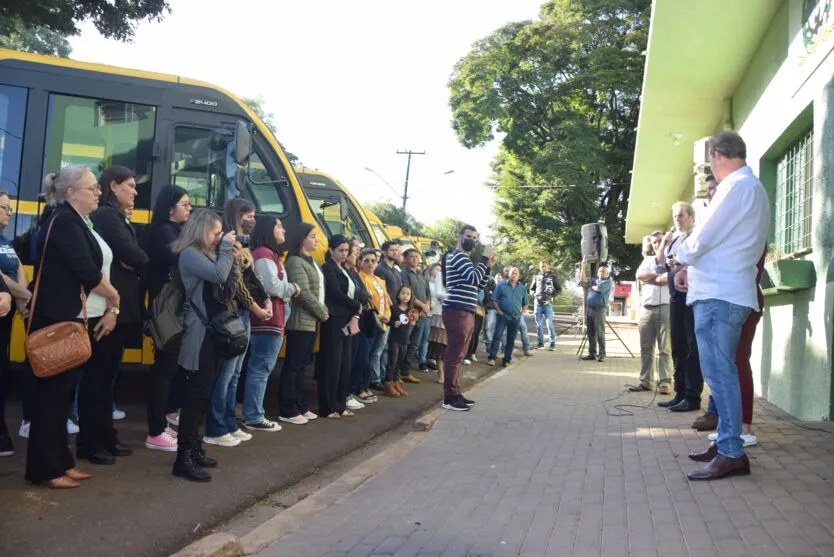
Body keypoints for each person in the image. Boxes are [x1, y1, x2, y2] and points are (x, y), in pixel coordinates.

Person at [674, 131, 769, 481]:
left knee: (721, 373)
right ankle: (727, 444)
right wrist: (689, 267)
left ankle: (731, 450)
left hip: (720, 294)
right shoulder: (749, 188)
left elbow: (703, 236)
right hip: (723, 291)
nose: (707, 169)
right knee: (720, 373)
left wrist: (680, 257)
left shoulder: (736, 188)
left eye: (708, 161)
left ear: (717, 155)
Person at [26, 166, 120, 489]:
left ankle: (61, 462)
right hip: (56, 321)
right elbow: (87, 271)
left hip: (65, 318)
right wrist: (114, 295)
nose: (97, 193)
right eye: (92, 188)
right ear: (71, 194)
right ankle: (45, 469)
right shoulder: (65, 221)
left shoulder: (73, 221)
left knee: (61, 398)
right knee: (52, 400)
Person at [171, 209, 236, 482]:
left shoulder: (207, 253)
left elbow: (229, 283)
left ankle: (195, 449)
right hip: (199, 334)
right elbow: (220, 275)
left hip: (213, 333)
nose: (219, 237)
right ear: (200, 231)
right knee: (195, 396)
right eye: (215, 233)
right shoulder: (189, 254)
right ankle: (183, 458)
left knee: (204, 395)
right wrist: (228, 249)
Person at [204, 199, 271, 448]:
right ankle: (216, 427)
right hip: (234, 313)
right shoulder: (229, 242)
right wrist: (255, 306)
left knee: (235, 375)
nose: (253, 220)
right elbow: (237, 282)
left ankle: (229, 423)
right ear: (237, 216)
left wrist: (264, 299)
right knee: (225, 374)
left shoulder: (244, 244)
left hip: (243, 314)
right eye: (249, 215)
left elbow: (251, 277)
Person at [144, 185, 191, 452]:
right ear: (169, 208)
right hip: (166, 310)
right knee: (163, 370)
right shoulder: (162, 233)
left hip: (172, 309)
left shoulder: (173, 231)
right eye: (184, 204)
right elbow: (183, 257)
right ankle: (156, 429)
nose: (189, 209)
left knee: (169, 368)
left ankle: (163, 421)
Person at [242, 216, 299, 432]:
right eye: (278, 226)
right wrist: (292, 289)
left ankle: (253, 413)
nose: (283, 229)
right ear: (268, 230)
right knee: (261, 367)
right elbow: (271, 286)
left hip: (270, 318)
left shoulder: (268, 254)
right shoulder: (264, 255)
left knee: (259, 367)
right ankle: (254, 415)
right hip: (267, 319)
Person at [656, 202, 703, 413]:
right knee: (677, 346)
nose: (677, 219)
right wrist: (664, 243)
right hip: (675, 298)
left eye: (681, 215)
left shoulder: (698, 237)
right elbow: (660, 265)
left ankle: (693, 396)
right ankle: (680, 392)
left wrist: (682, 264)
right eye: (674, 215)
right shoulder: (674, 240)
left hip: (692, 297)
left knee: (692, 348)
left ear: (691, 217)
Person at [441, 225, 493, 412]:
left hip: (467, 310)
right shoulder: (458, 256)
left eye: (474, 237)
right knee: (454, 355)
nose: (472, 240)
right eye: (469, 236)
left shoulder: (466, 259)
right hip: (457, 310)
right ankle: (449, 397)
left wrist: (487, 268)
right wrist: (484, 258)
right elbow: (472, 279)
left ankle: (455, 393)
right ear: (459, 236)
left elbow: (478, 285)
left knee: (459, 355)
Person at [281, 224, 327, 425]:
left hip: (311, 321)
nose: (316, 240)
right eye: (313, 236)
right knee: (294, 365)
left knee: (302, 367)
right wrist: (322, 312)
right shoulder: (295, 262)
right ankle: (288, 408)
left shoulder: (312, 261)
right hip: (300, 321)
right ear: (302, 239)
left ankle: (300, 404)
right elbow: (304, 293)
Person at [317, 235, 362, 418]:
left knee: (345, 364)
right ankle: (327, 407)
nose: (344, 254)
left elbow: (357, 292)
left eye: (346, 251)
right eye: (341, 250)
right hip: (334, 319)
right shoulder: (328, 268)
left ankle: (340, 404)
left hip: (348, 319)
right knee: (332, 364)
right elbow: (335, 293)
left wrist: (356, 310)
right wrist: (355, 305)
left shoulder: (344, 269)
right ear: (331, 250)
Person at [0, 190, 30, 457]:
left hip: (7, 311)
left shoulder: (5, 239)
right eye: (5, 208)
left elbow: (18, 267)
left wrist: (20, 298)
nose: (10, 212)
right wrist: (23, 295)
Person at [630, 232, 672, 394]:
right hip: (647, 308)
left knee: (665, 348)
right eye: (655, 242)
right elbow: (640, 275)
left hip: (665, 307)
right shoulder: (647, 260)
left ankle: (665, 383)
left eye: (660, 241)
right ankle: (646, 382)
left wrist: (652, 278)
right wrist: (657, 277)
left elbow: (669, 278)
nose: (657, 244)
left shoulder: (671, 258)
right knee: (646, 348)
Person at [355, 248, 390, 403]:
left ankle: (366, 384)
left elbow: (386, 301)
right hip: (368, 320)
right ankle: (360, 387)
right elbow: (367, 301)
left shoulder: (380, 280)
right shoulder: (360, 278)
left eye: (373, 261)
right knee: (364, 355)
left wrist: (387, 315)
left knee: (375, 354)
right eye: (366, 260)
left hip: (382, 322)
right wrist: (381, 316)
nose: (370, 264)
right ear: (360, 261)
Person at [487, 267, 529, 367]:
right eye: (512, 273)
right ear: (508, 274)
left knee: (511, 339)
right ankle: (492, 357)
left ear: (518, 276)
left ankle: (507, 360)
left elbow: (526, 303)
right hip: (503, 315)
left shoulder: (522, 288)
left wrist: (522, 313)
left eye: (516, 274)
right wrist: (499, 311)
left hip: (515, 317)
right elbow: (494, 299)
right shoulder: (501, 285)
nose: (514, 275)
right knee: (497, 335)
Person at [373, 241, 402, 385]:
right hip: (384, 313)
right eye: (392, 250)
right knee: (380, 347)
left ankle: (386, 376)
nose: (395, 252)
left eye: (397, 250)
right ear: (384, 252)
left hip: (396, 313)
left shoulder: (396, 270)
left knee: (389, 347)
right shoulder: (379, 269)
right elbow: (382, 293)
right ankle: (375, 378)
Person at [400, 248, 431, 380]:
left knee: (415, 343)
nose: (415, 259)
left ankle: (406, 372)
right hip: (409, 313)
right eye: (412, 257)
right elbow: (407, 293)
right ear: (405, 259)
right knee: (404, 342)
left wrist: (427, 305)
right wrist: (422, 305)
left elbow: (428, 292)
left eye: (417, 257)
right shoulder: (403, 274)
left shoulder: (421, 275)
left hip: (422, 315)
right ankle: (397, 372)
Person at [579, 258, 612, 362]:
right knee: (591, 332)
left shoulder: (607, 282)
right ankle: (592, 353)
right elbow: (582, 280)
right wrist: (583, 267)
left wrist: (591, 285)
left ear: (607, 273)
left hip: (599, 309)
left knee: (600, 332)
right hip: (590, 309)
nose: (601, 272)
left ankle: (602, 354)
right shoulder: (594, 280)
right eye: (600, 271)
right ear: (597, 272)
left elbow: (598, 289)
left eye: (603, 271)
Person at [386, 284, 414, 397]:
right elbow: (387, 321)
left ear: (411, 296)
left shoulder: (411, 310)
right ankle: (388, 384)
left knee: (399, 363)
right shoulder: (394, 308)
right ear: (398, 295)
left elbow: (413, 322)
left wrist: (413, 321)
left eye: (408, 294)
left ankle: (396, 382)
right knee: (392, 362)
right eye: (403, 293)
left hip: (405, 339)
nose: (405, 296)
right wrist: (393, 323)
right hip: (394, 339)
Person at [530, 261, 560, 351]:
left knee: (549, 324)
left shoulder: (553, 276)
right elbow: (531, 289)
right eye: (541, 266)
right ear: (539, 267)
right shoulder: (536, 276)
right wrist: (534, 294)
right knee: (538, 325)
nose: (543, 268)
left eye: (545, 266)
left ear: (548, 266)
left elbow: (559, 289)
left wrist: (552, 295)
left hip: (547, 304)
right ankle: (540, 343)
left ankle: (552, 344)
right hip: (537, 303)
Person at [426, 264, 446, 385]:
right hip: (440, 315)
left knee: (451, 348)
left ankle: (449, 373)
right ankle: (441, 373)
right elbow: (439, 295)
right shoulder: (440, 275)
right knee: (440, 347)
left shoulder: (459, 276)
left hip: (455, 316)